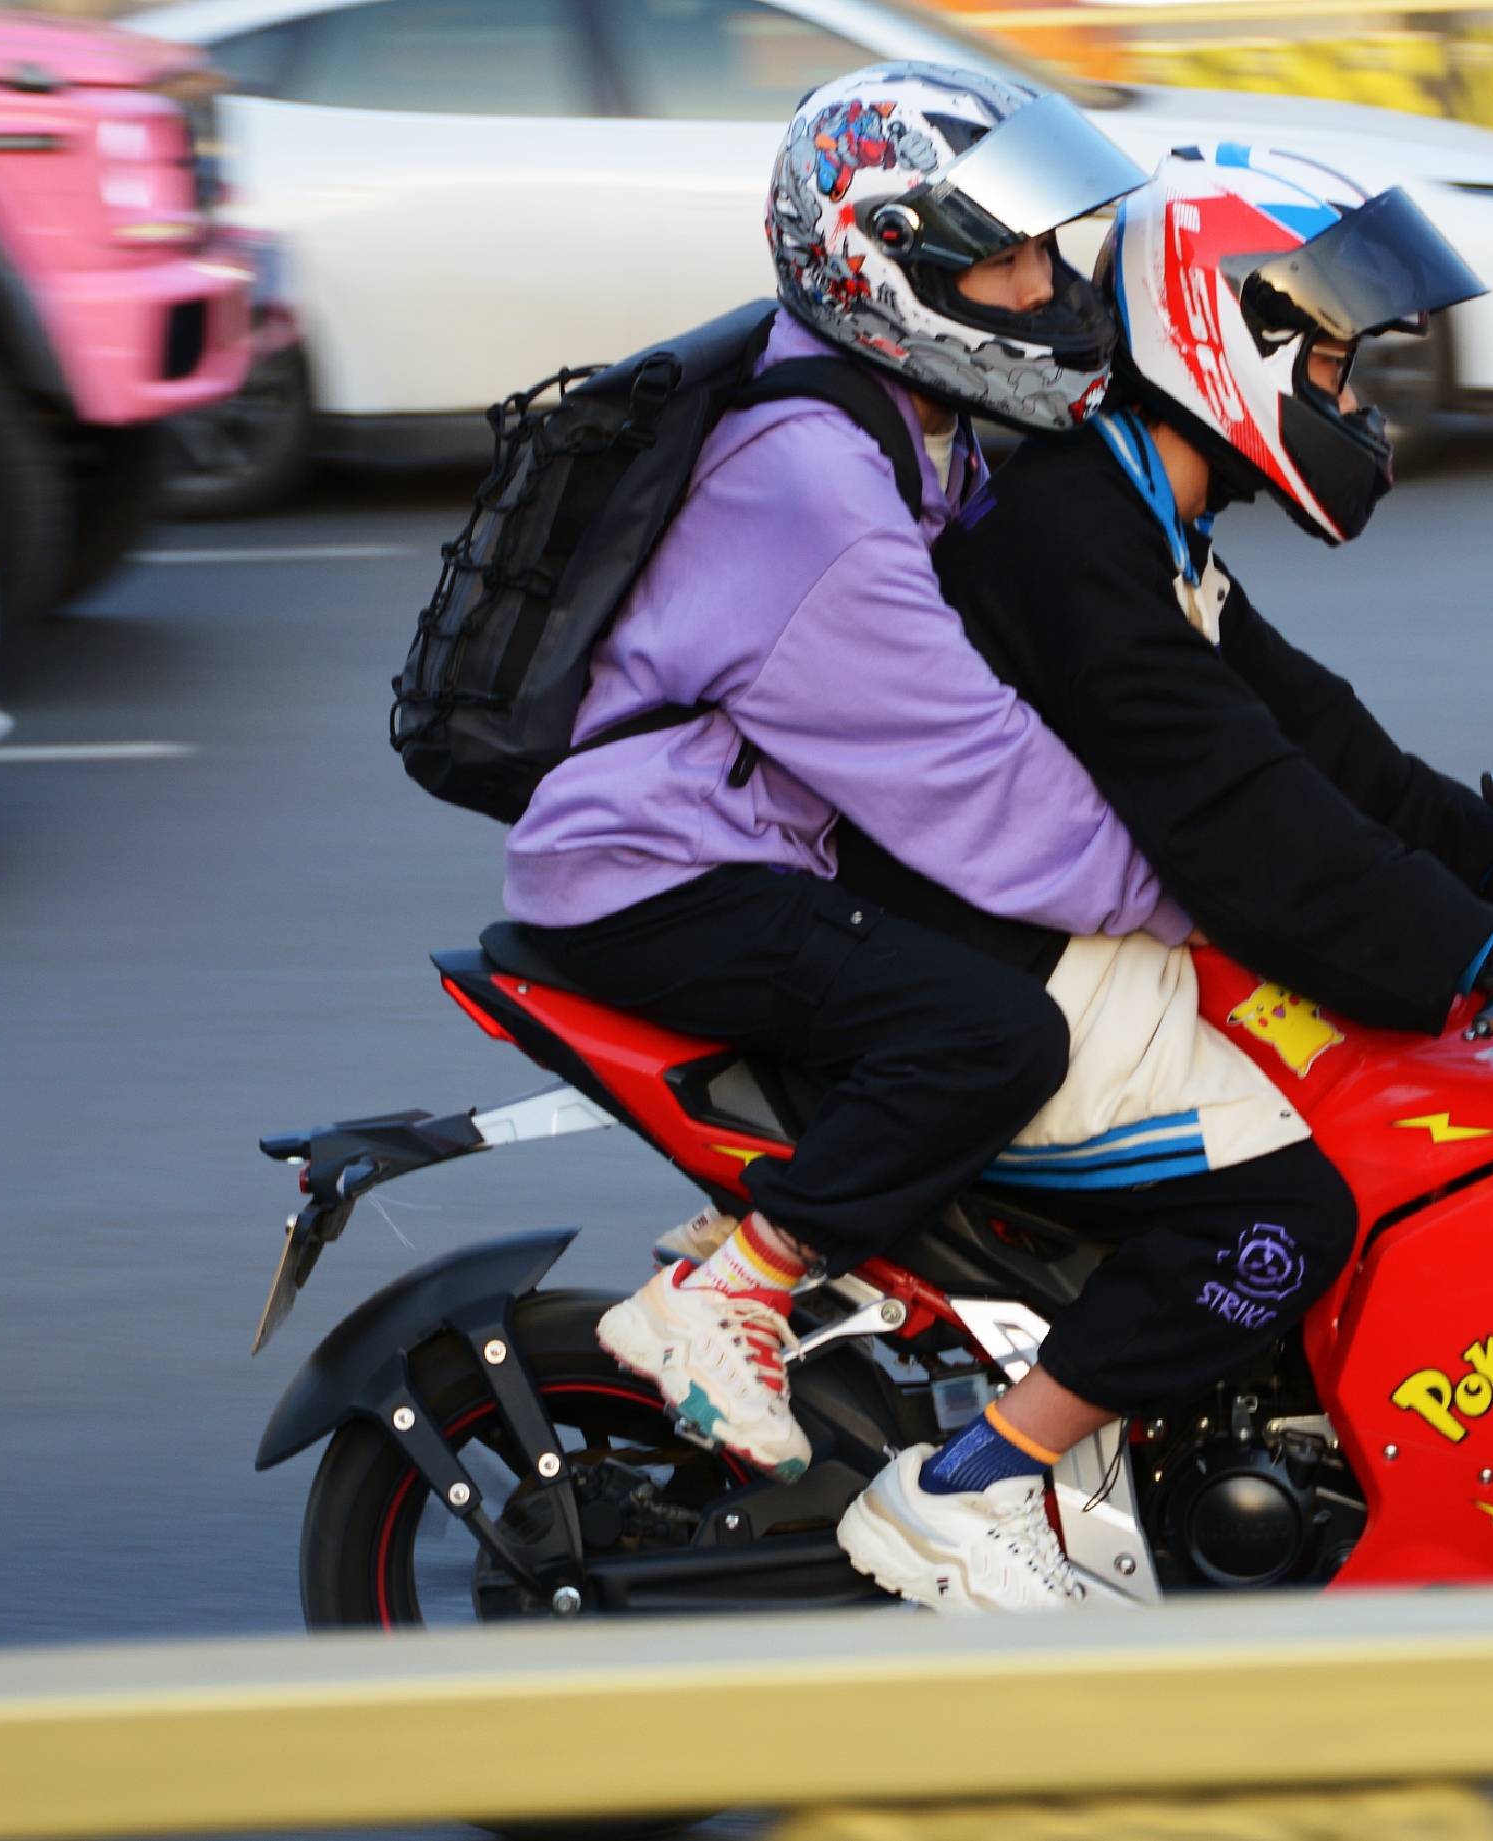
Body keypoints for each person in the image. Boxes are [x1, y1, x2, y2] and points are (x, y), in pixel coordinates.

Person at [819, 150, 1493, 1610]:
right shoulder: (1076, 538)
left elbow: (1320, 750)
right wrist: (1483, 956)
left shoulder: (1142, 511)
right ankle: (982, 1477)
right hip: (986, 960)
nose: (1354, 405)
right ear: (1229, 339)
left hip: (1049, 935)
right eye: (1331, 366)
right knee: (1289, 1209)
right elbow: (1251, 833)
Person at [501, 65, 1180, 1489]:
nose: (1047, 289)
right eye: (1003, 259)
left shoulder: (894, 415)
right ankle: (730, 1287)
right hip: (657, 873)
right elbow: (975, 776)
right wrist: (1200, 898)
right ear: (886, 269)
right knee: (992, 1034)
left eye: (1047, 251)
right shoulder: (812, 484)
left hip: (742, 835)